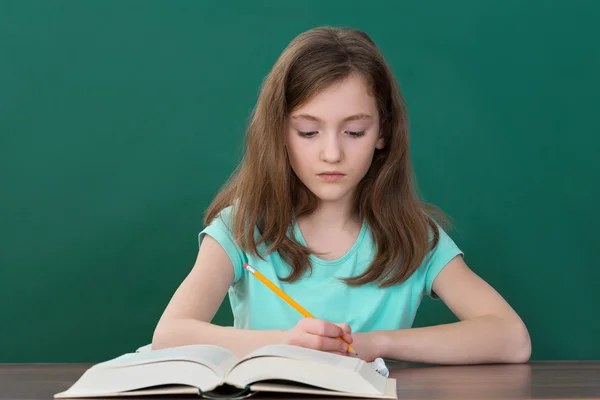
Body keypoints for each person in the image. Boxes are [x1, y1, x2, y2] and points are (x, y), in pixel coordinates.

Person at [151, 26, 531, 364]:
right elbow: (169, 337)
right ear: (280, 132)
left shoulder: (415, 236)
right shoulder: (241, 227)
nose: (331, 153)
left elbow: (511, 339)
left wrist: (376, 343)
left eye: (353, 132)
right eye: (308, 132)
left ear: (383, 133)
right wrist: (286, 342)